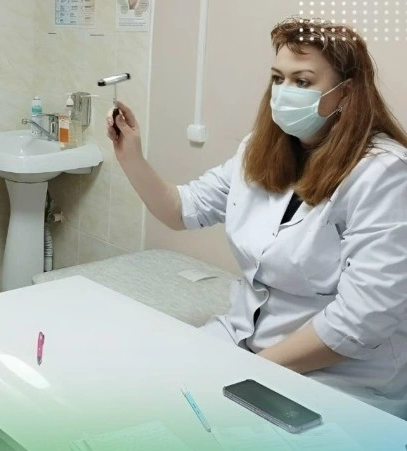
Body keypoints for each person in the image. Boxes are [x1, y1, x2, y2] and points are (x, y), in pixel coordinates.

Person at [107, 17, 407, 418]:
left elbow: (360, 320)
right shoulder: (259, 150)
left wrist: (249, 372)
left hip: (337, 375)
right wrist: (131, 156)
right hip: (242, 341)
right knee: (139, 399)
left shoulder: (384, 173)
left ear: (347, 92)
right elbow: (182, 210)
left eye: (302, 81)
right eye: (278, 79)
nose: (284, 92)